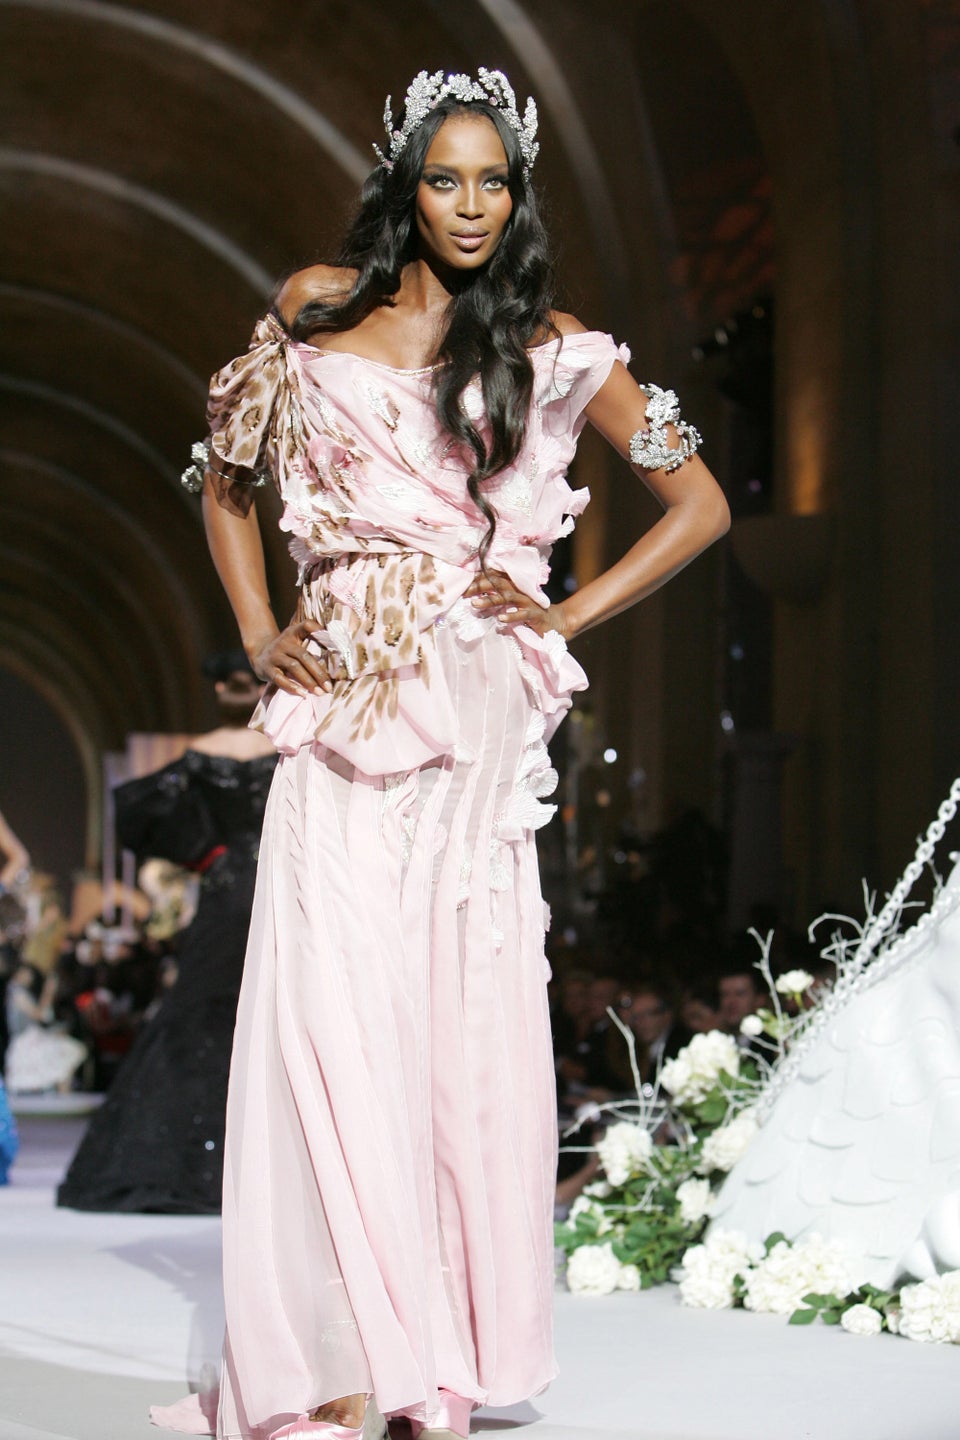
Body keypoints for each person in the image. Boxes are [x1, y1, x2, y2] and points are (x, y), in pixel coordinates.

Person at [157, 68, 729, 1440]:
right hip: (343, 688)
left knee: (446, 1025)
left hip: (472, 709)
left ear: (517, 197)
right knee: (323, 1008)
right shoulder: (312, 308)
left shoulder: (561, 341)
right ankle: (340, 1352)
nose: (471, 206)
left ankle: (437, 1347)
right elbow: (221, 478)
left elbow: (699, 498)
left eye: (495, 183)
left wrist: (562, 610)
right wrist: (255, 625)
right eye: (445, 178)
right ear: (403, 186)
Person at [58, 654, 277, 1213]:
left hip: (245, 886)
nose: (236, 687)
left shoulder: (226, 753)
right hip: (267, 885)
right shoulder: (275, 748)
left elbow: (141, 815)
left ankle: (211, 1159)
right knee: (242, 1010)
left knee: (218, 1012)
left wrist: (206, 855)